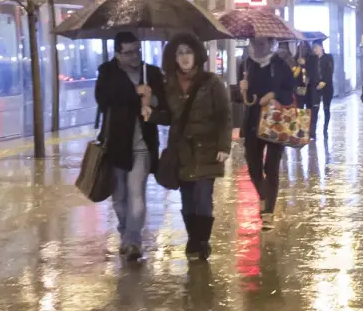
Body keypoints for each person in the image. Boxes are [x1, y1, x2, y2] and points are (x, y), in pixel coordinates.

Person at [159, 33, 233, 262]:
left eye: (188, 52)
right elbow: (168, 117)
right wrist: (149, 112)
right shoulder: (169, 85)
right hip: (182, 152)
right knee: (188, 199)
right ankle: (193, 239)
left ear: (196, 55)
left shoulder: (212, 83)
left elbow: (225, 116)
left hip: (207, 150)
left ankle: (201, 242)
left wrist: (224, 146)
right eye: (179, 53)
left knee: (202, 197)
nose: (184, 57)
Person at [95, 31, 165, 261]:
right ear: (118, 54)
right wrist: (134, 92)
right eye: (128, 53)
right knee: (119, 198)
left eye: (137, 51)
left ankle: (133, 241)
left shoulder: (151, 73)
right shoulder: (107, 72)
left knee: (137, 195)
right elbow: (103, 98)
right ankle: (125, 232)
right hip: (117, 145)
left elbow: (164, 106)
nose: (134, 56)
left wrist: (151, 101)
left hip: (143, 145)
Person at [237, 36, 297, 230]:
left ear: (270, 43)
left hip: (274, 123)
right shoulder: (246, 64)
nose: (259, 46)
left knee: (271, 167)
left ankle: (268, 212)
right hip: (253, 122)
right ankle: (264, 195)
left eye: (263, 43)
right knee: (253, 166)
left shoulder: (280, 64)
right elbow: (242, 99)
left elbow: (291, 92)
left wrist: (274, 95)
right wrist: (241, 90)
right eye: (255, 42)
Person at [302, 39, 334, 139]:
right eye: (313, 48)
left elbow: (330, 71)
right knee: (314, 109)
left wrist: (324, 81)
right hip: (315, 87)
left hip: (327, 87)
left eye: (316, 47)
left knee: (326, 108)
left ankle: (325, 129)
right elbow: (307, 68)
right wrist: (303, 63)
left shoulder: (328, 57)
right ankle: (312, 132)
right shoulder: (312, 59)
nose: (314, 49)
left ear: (321, 47)